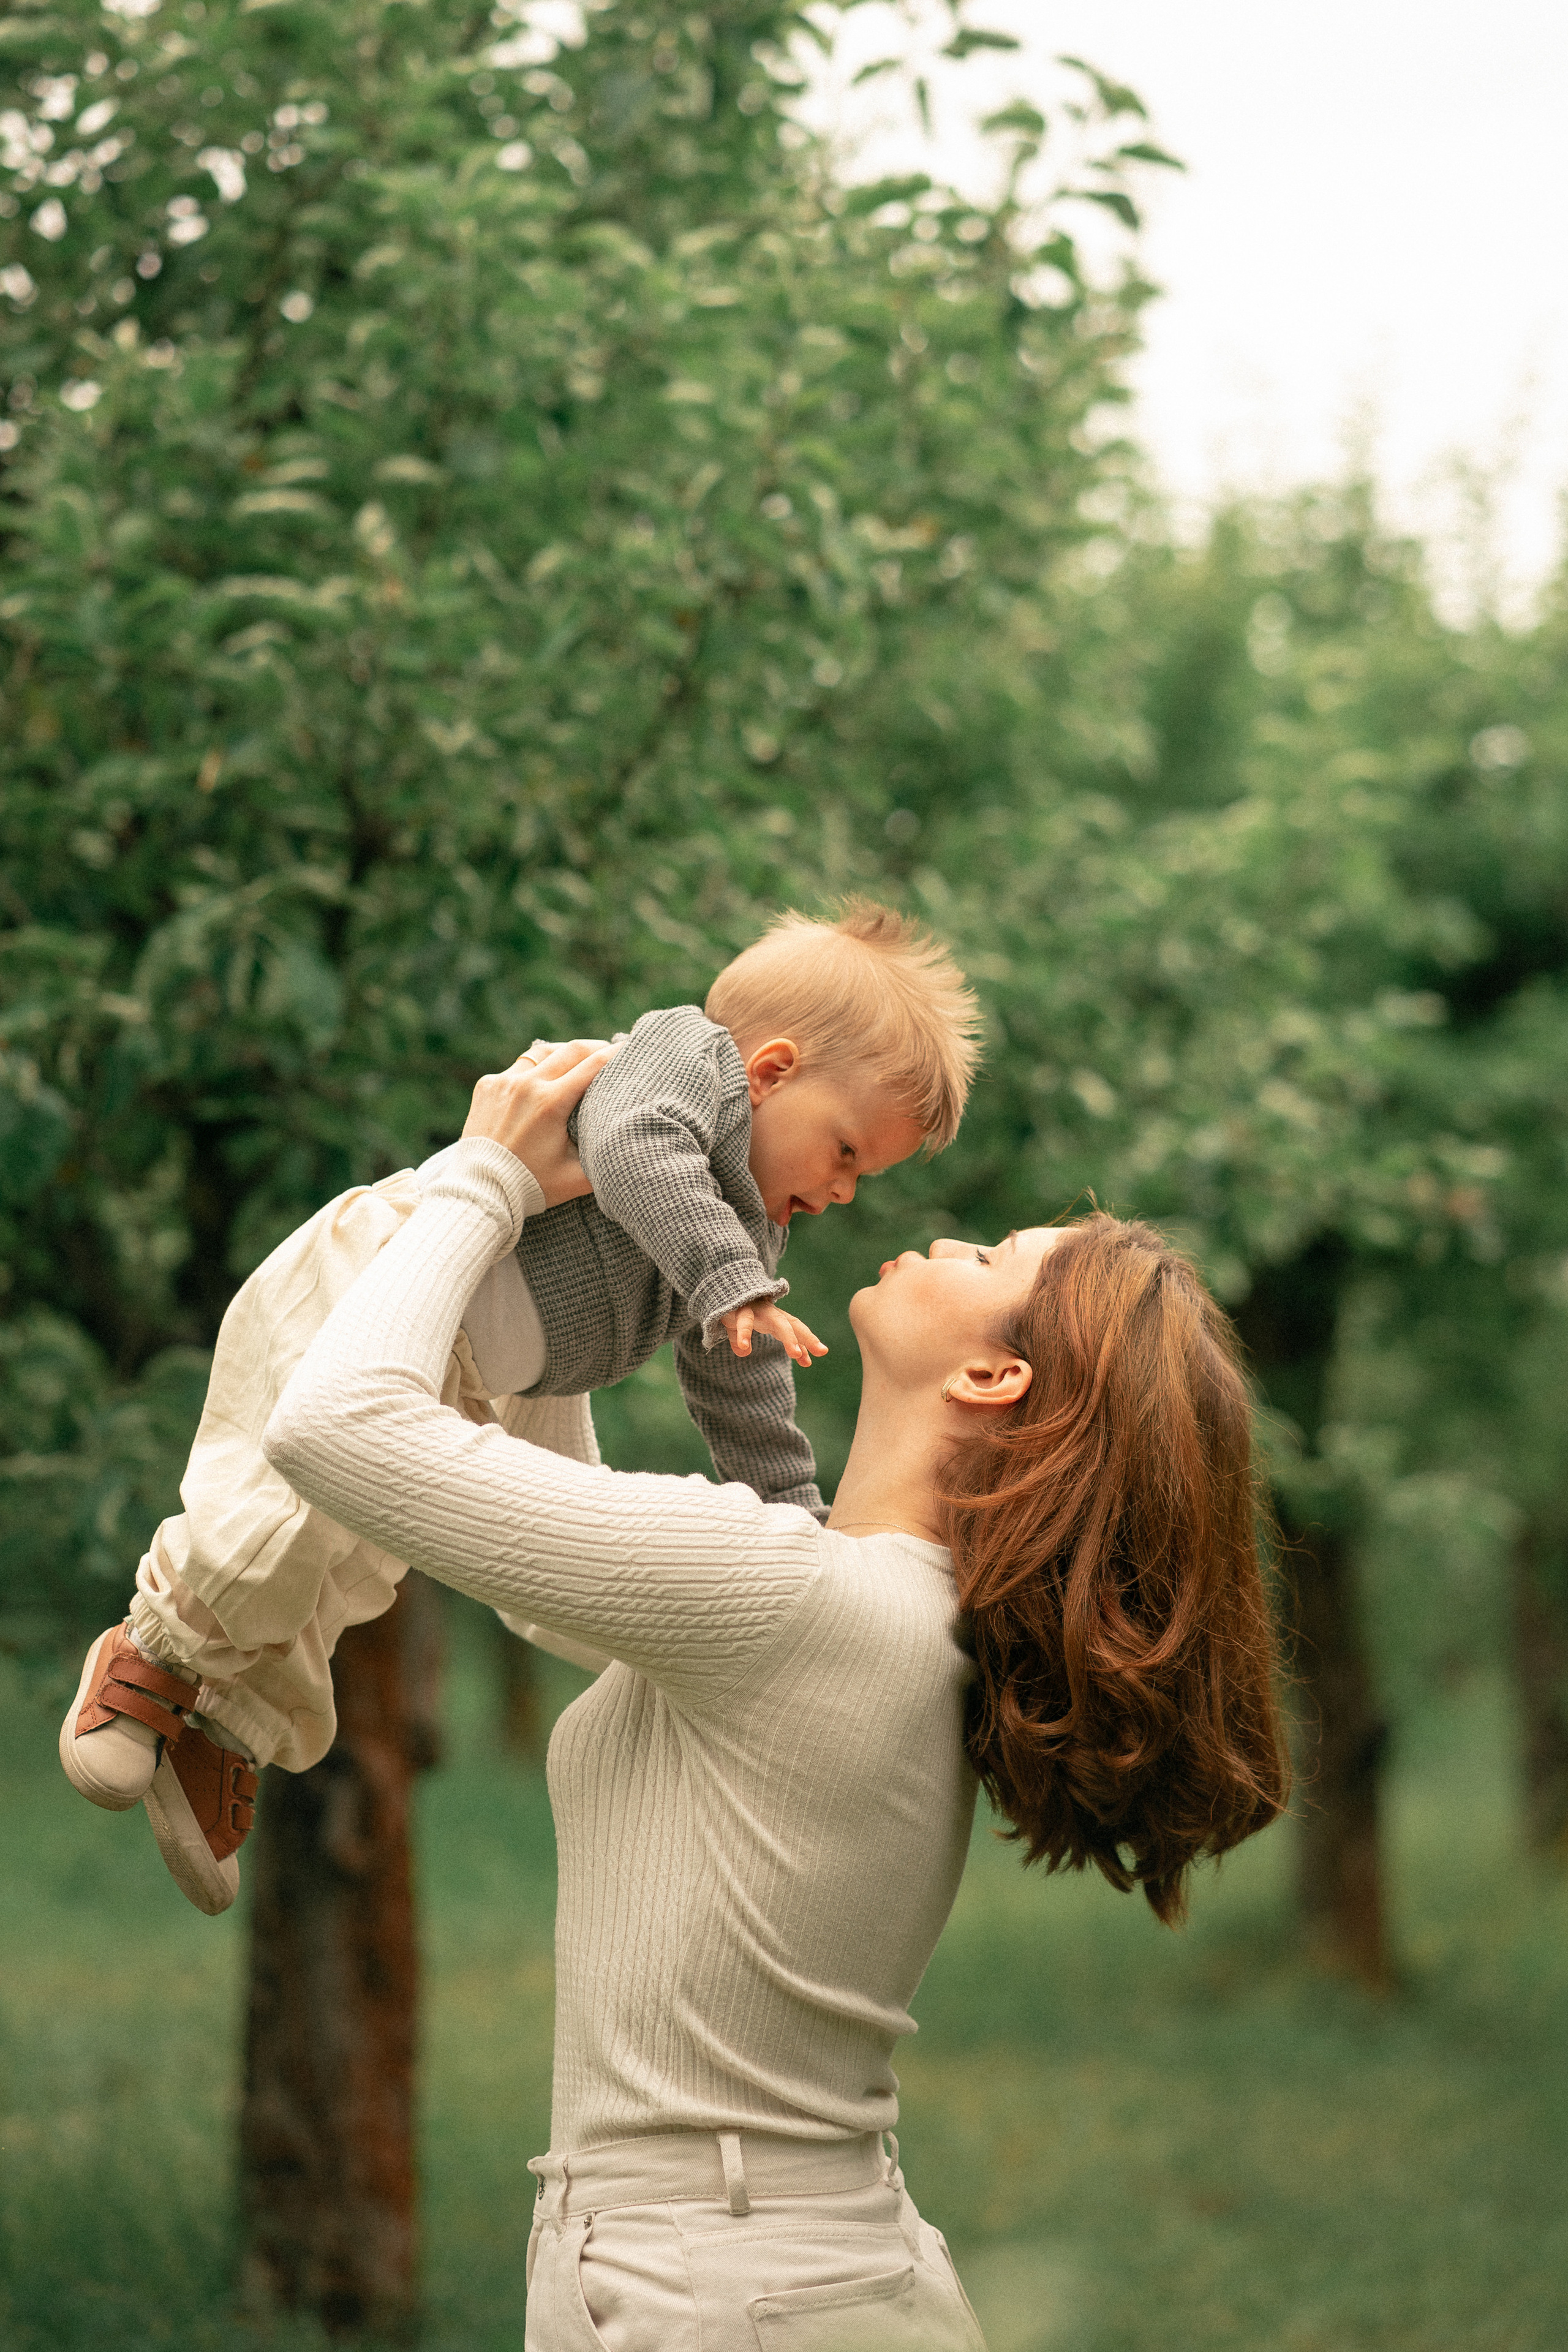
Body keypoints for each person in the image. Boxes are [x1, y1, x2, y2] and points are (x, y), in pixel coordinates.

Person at [256, 1041, 1287, 2350]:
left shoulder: (797, 1604)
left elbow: (332, 1428)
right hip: (760, 2268)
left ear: (992, 1378)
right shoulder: (871, 1607)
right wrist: (586, 1225)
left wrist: (485, 1179)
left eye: (990, 1260)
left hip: (721, 2286)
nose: (948, 1239)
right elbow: (540, 1584)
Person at [59, 902, 981, 1915]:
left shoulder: (743, 1234)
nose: (846, 1191)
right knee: (280, 1517)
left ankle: (222, 1730)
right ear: (770, 1071)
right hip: (387, 1275)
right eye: (847, 1152)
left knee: (357, 1564)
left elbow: (744, 1390)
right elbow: (634, 1148)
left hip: (464, 1365)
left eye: (866, 1176)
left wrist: (806, 1533)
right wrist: (727, 1278)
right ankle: (152, 1650)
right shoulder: (685, 1064)